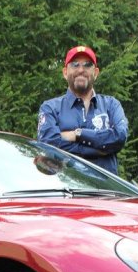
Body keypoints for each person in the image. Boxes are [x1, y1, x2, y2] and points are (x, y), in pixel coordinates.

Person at [36, 45, 128, 175]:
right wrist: (101, 148)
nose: (81, 70)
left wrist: (77, 134)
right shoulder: (50, 108)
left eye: (87, 65)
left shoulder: (111, 105)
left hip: (104, 187)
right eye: (75, 64)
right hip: (66, 186)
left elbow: (120, 136)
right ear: (65, 72)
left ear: (95, 73)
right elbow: (49, 144)